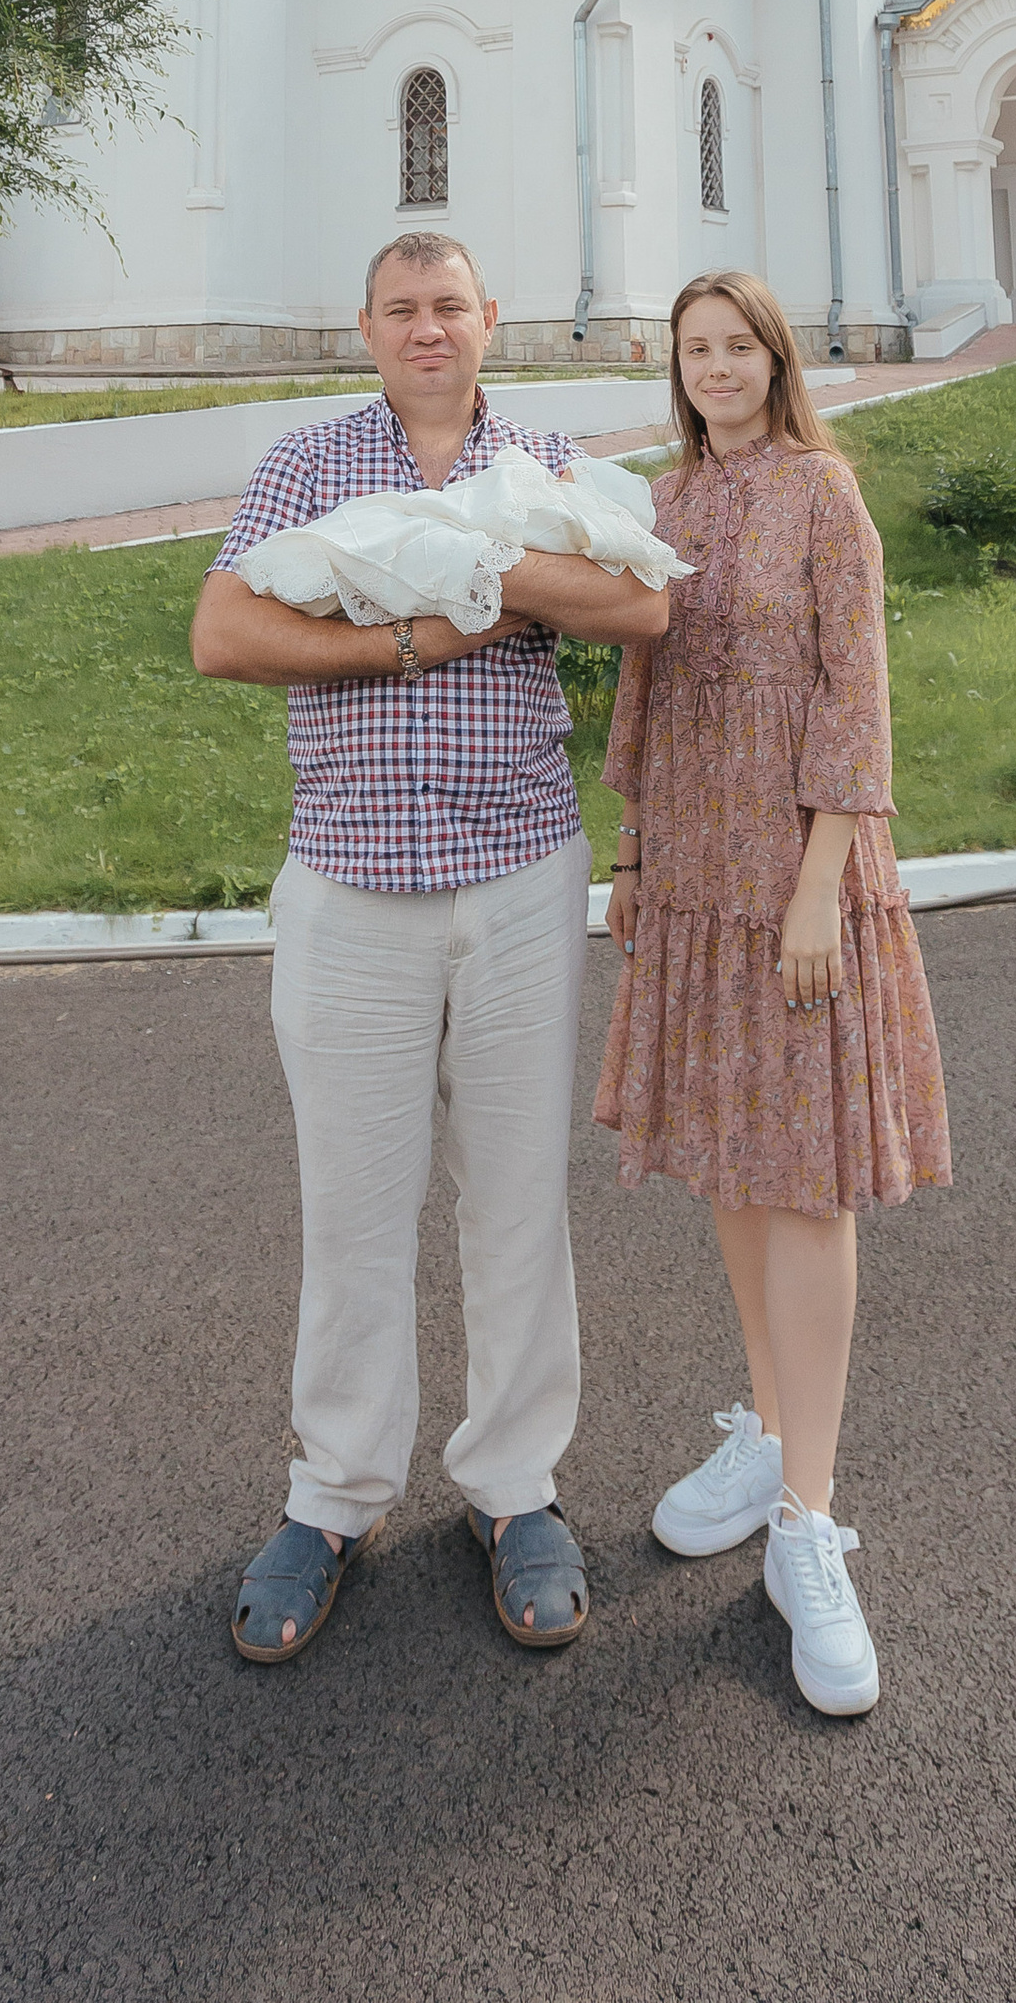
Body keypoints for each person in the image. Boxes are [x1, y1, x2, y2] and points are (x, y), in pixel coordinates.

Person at [192, 232, 670, 1664]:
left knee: (517, 1201)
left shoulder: (552, 463)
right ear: (366, 328)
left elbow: (644, 605)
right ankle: (333, 1497)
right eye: (402, 310)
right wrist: (413, 644)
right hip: (350, 889)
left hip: (520, 878)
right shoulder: (305, 467)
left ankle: (516, 1488)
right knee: (354, 1210)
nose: (426, 329)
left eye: (448, 306)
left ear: (488, 322)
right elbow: (225, 631)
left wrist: (489, 572)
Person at [595, 268, 951, 1717]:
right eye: (697, 350)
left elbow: (852, 694)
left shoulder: (822, 494)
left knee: (806, 1184)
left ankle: (810, 1521)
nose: (720, 367)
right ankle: (767, 1431)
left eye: (740, 346)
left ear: (776, 359)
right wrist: (630, 845)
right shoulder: (663, 506)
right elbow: (643, 687)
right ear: (676, 372)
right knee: (735, 1169)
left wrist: (822, 880)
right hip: (690, 870)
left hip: (799, 879)